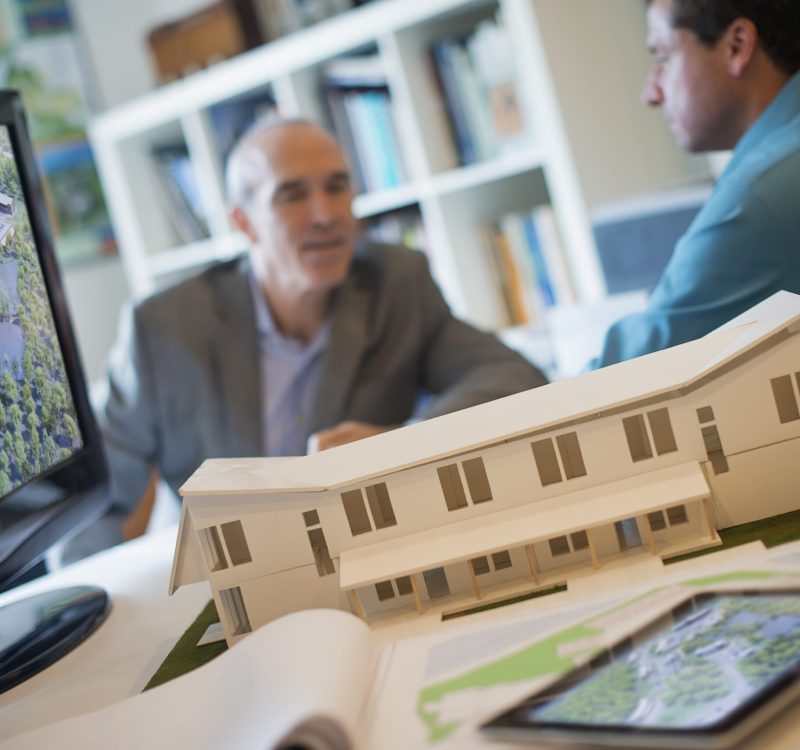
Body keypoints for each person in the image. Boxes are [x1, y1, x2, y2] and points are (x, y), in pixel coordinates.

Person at [89, 118, 546, 548]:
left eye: (337, 187)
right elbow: (97, 505)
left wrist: (399, 444)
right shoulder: (163, 328)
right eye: (292, 196)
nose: (325, 214)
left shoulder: (396, 283)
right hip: (228, 568)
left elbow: (512, 377)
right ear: (244, 222)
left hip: (363, 551)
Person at [593, 0, 800, 368]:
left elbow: (631, 369)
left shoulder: (756, 199)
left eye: (663, 57)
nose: (651, 94)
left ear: (737, 46)